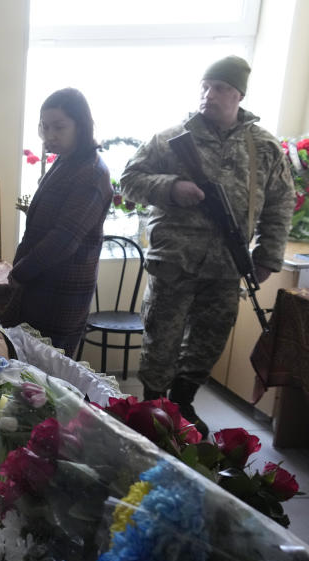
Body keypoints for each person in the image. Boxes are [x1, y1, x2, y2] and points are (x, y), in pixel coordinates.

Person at [120, 56, 295, 434]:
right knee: (161, 339)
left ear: (238, 94)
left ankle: (182, 403)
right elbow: (129, 180)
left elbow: (280, 201)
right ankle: (153, 409)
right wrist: (171, 188)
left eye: (219, 88)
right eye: (204, 86)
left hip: (227, 265)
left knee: (209, 338)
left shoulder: (263, 147)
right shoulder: (170, 138)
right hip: (174, 261)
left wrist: (267, 255)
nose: (208, 95)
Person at [11, 88, 112, 356]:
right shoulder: (67, 162)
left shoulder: (90, 173)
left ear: (81, 126)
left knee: (48, 375)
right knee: (27, 368)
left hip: (62, 292)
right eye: (45, 126)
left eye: (59, 127)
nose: (50, 135)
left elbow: (63, 239)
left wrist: (18, 273)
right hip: (40, 285)